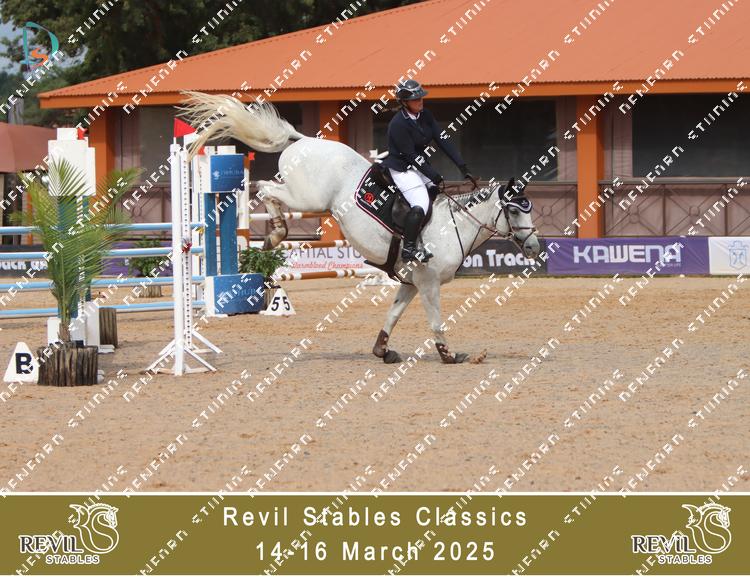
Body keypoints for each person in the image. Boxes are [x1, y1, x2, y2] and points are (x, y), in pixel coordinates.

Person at [382, 79, 475, 262]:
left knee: (435, 193)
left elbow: (442, 140)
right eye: (416, 99)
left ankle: (425, 238)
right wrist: (434, 175)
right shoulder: (398, 124)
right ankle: (408, 249)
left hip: (418, 165)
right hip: (402, 169)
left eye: (421, 98)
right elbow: (410, 155)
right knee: (421, 203)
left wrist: (463, 166)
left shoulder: (426, 115)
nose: (420, 101)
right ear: (404, 102)